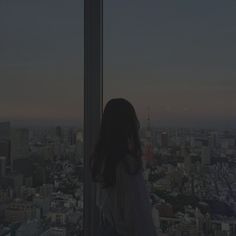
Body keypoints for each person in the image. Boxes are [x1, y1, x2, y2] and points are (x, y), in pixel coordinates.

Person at [90, 98, 157, 236]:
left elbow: (103, 204)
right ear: (128, 126)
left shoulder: (103, 161)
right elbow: (139, 216)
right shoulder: (127, 166)